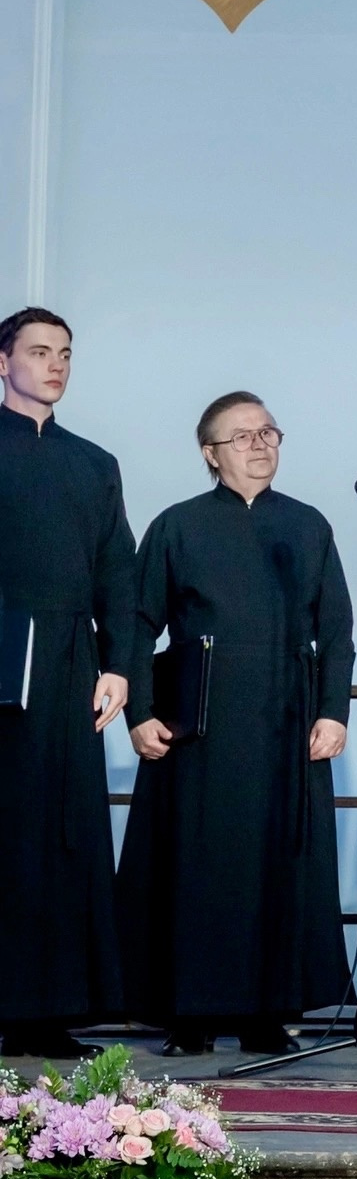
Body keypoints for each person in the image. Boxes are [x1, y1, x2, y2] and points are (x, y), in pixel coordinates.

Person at [119, 392, 353, 1056]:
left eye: (269, 432)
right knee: (198, 867)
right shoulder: (178, 525)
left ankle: (267, 1014)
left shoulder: (307, 525)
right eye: (243, 435)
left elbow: (338, 631)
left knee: (277, 869)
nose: (260, 445)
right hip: (199, 726)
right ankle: (189, 1015)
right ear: (210, 452)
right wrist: (140, 713)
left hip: (287, 722)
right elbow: (138, 623)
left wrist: (333, 710)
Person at [0, 309, 138, 1060]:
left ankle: (46, 1013)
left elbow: (118, 570)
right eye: (39, 351)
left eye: (65, 353)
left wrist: (117, 663)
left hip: (68, 666)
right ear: (3, 362)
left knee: (61, 835)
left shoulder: (93, 462)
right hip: (2, 651)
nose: (55, 364)